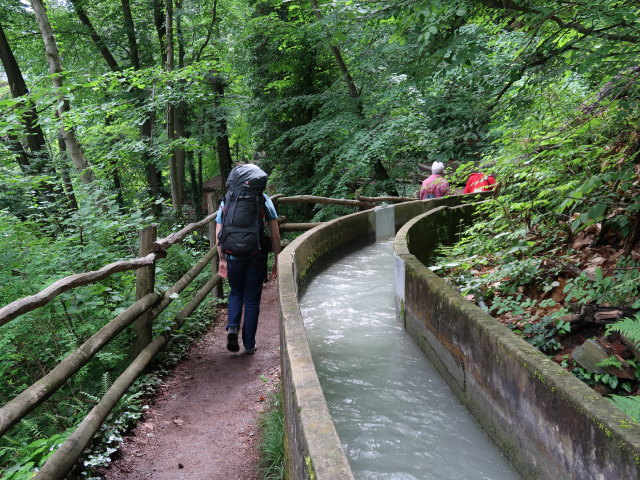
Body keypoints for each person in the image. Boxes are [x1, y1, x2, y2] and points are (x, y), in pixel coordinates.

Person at [216, 165, 281, 355]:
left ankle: (233, 326)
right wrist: (277, 259)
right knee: (252, 299)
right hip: (256, 256)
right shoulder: (263, 200)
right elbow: (275, 234)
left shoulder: (227, 201)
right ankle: (249, 344)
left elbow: (219, 233)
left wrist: (222, 259)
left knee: (236, 293)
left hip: (232, 256)